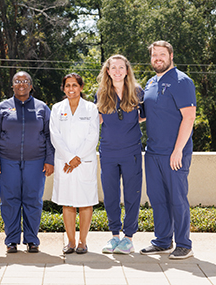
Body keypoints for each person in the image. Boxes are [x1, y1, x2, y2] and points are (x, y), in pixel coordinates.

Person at [140, 40, 196, 259]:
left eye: (162, 54)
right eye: (154, 55)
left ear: (171, 56)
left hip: (175, 154)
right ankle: (163, 241)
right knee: (157, 198)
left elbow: (189, 117)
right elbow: (144, 115)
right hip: (152, 152)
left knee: (177, 198)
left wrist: (178, 150)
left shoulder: (182, 81)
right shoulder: (151, 82)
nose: (158, 58)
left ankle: (184, 244)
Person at [0, 71, 54, 253]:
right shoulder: (3, 107)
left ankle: (32, 239)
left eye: (25, 81)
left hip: (36, 161)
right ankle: (11, 240)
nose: (21, 84)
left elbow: (50, 135)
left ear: (31, 86)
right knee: (10, 200)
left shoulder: (42, 108)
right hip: (7, 161)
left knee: (33, 200)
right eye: (17, 81)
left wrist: (50, 160)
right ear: (13, 85)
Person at [96, 55, 144, 255]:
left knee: (132, 194)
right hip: (107, 153)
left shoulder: (137, 92)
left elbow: (143, 116)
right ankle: (114, 235)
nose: (117, 71)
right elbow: (95, 121)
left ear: (127, 70)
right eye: (113, 67)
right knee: (111, 195)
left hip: (131, 152)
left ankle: (129, 238)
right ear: (107, 71)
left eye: (121, 67)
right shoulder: (100, 94)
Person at [50, 73, 99, 254]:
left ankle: (82, 242)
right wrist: (69, 158)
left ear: (81, 87)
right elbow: (55, 135)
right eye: (68, 85)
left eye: (74, 85)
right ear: (63, 88)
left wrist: (77, 158)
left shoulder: (91, 109)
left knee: (85, 202)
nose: (71, 89)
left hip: (84, 162)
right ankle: (71, 241)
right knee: (68, 203)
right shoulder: (56, 108)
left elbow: (93, 135)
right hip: (65, 161)